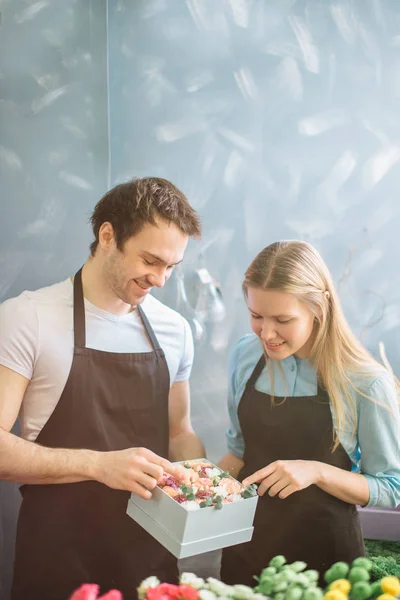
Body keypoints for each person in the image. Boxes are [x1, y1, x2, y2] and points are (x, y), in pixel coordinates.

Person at [0, 177, 205, 600]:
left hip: (150, 563)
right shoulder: (27, 318)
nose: (161, 279)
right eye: (150, 260)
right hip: (57, 559)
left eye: (171, 266)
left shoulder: (174, 330)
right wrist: (98, 465)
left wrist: (205, 485)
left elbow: (180, 432)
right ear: (107, 236)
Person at [219, 240, 400, 583]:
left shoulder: (366, 382)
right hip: (245, 552)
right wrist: (188, 486)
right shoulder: (245, 355)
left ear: (320, 308)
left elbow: (391, 487)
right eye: (256, 316)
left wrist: (317, 472)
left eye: (283, 319)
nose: (266, 333)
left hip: (327, 564)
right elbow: (238, 454)